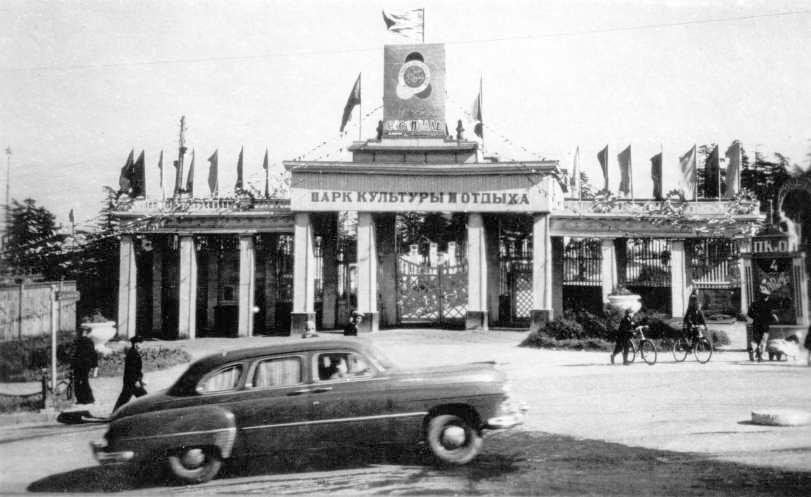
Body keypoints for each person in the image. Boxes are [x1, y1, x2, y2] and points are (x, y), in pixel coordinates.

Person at [113, 336, 147, 412]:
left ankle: (115, 413)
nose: (142, 345)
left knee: (124, 399)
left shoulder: (133, 352)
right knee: (145, 398)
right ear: (136, 344)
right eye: (141, 343)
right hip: (132, 382)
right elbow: (131, 370)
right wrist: (136, 381)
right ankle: (115, 414)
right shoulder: (133, 354)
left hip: (130, 381)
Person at [747, 289, 778, 362]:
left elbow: (749, 314)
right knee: (763, 341)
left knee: (755, 340)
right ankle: (760, 356)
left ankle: (752, 350)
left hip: (756, 324)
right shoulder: (768, 304)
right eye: (767, 296)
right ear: (767, 296)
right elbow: (771, 314)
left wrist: (756, 317)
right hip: (765, 325)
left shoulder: (754, 303)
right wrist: (774, 318)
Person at [71, 327, 98, 405]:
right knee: (78, 381)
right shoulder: (78, 341)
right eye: (80, 332)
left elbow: (93, 354)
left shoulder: (87, 341)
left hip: (85, 364)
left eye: (83, 332)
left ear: (86, 333)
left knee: (83, 381)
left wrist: (95, 366)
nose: (81, 333)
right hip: (79, 364)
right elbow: (75, 354)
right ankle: (81, 399)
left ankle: (89, 399)